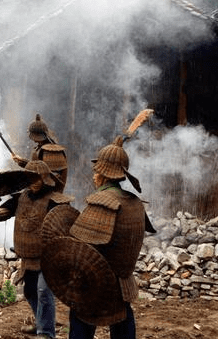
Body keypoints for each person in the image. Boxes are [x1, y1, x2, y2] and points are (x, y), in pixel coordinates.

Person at [65, 135, 151, 339]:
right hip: (123, 283)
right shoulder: (135, 203)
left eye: (96, 171)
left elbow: (81, 246)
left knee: (80, 322)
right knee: (123, 324)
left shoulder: (102, 200)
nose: (93, 175)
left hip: (97, 284)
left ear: (103, 174)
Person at [0, 160, 74, 339]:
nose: (34, 182)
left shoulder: (54, 200)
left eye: (38, 179)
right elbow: (6, 210)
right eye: (30, 179)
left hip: (48, 256)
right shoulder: (22, 197)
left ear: (45, 179)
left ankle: (46, 333)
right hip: (28, 256)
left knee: (43, 291)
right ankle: (41, 322)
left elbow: (65, 224)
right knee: (30, 292)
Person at [12, 114, 68, 192]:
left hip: (49, 192)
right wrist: (21, 161)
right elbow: (39, 167)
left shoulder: (50, 151)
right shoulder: (40, 147)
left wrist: (25, 163)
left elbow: (48, 176)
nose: (34, 140)